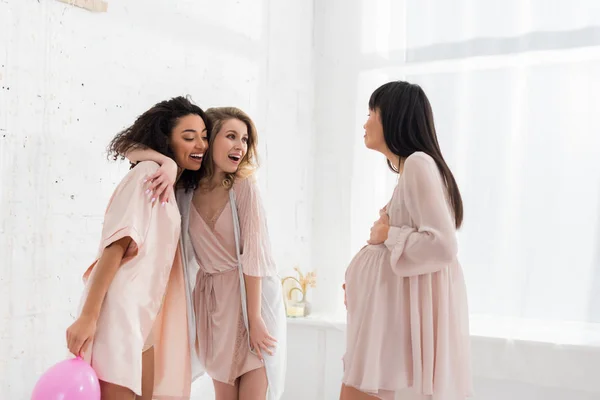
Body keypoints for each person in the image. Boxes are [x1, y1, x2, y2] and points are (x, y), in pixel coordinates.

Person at [127, 106, 286, 400]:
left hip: (252, 300)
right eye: (231, 136)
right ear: (209, 141)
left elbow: (254, 257)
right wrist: (168, 163)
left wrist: (254, 319)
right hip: (213, 305)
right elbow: (129, 148)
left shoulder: (243, 187)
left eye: (245, 139)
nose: (240, 145)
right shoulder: (185, 191)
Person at [65, 96, 211, 400]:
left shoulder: (168, 182)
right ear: (166, 139)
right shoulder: (147, 174)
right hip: (120, 313)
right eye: (189, 136)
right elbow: (115, 248)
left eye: (204, 136)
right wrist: (88, 318)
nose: (200, 144)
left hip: (145, 318)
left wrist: (169, 163)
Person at [341, 81, 472, 400]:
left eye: (372, 111)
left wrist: (389, 235)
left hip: (391, 333)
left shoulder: (418, 164)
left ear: (394, 117)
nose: (365, 121)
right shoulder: (413, 170)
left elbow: (442, 246)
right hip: (385, 327)